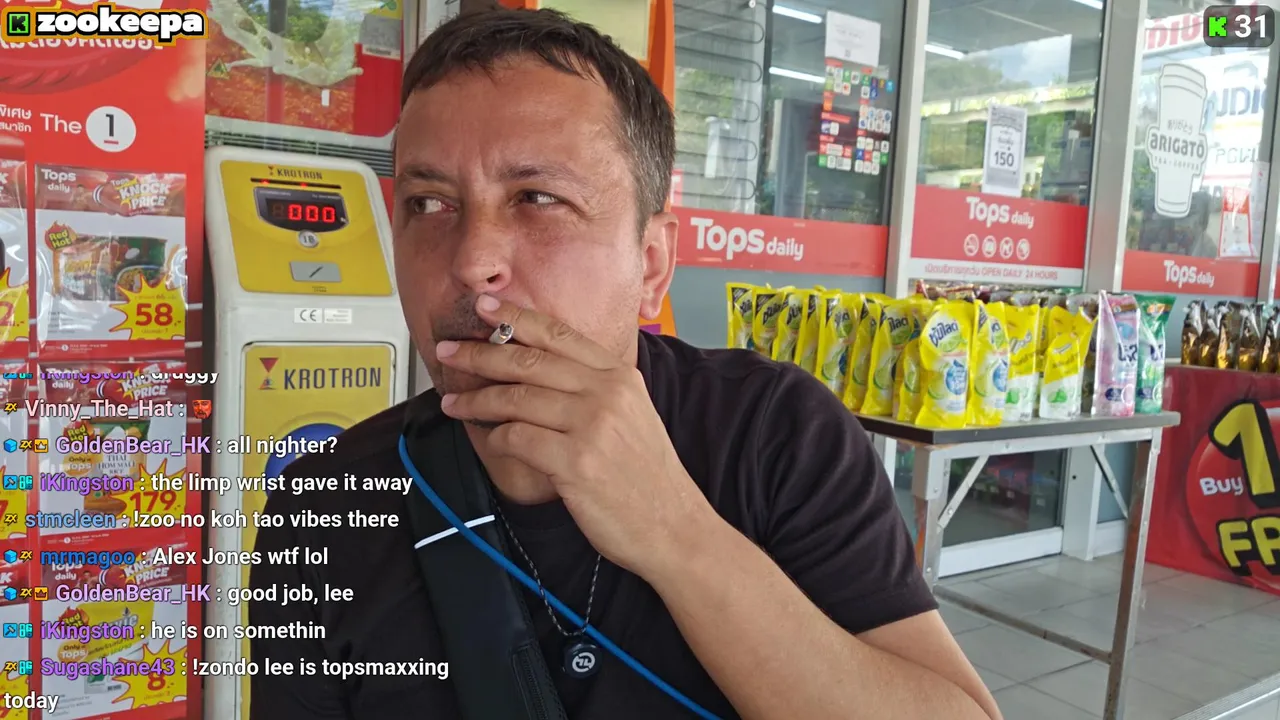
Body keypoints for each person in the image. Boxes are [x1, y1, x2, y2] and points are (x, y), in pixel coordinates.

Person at [249, 8, 1002, 720]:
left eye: (537, 198)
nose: (473, 261)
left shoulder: (775, 433)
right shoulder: (323, 509)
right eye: (428, 204)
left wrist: (675, 533)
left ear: (650, 264)